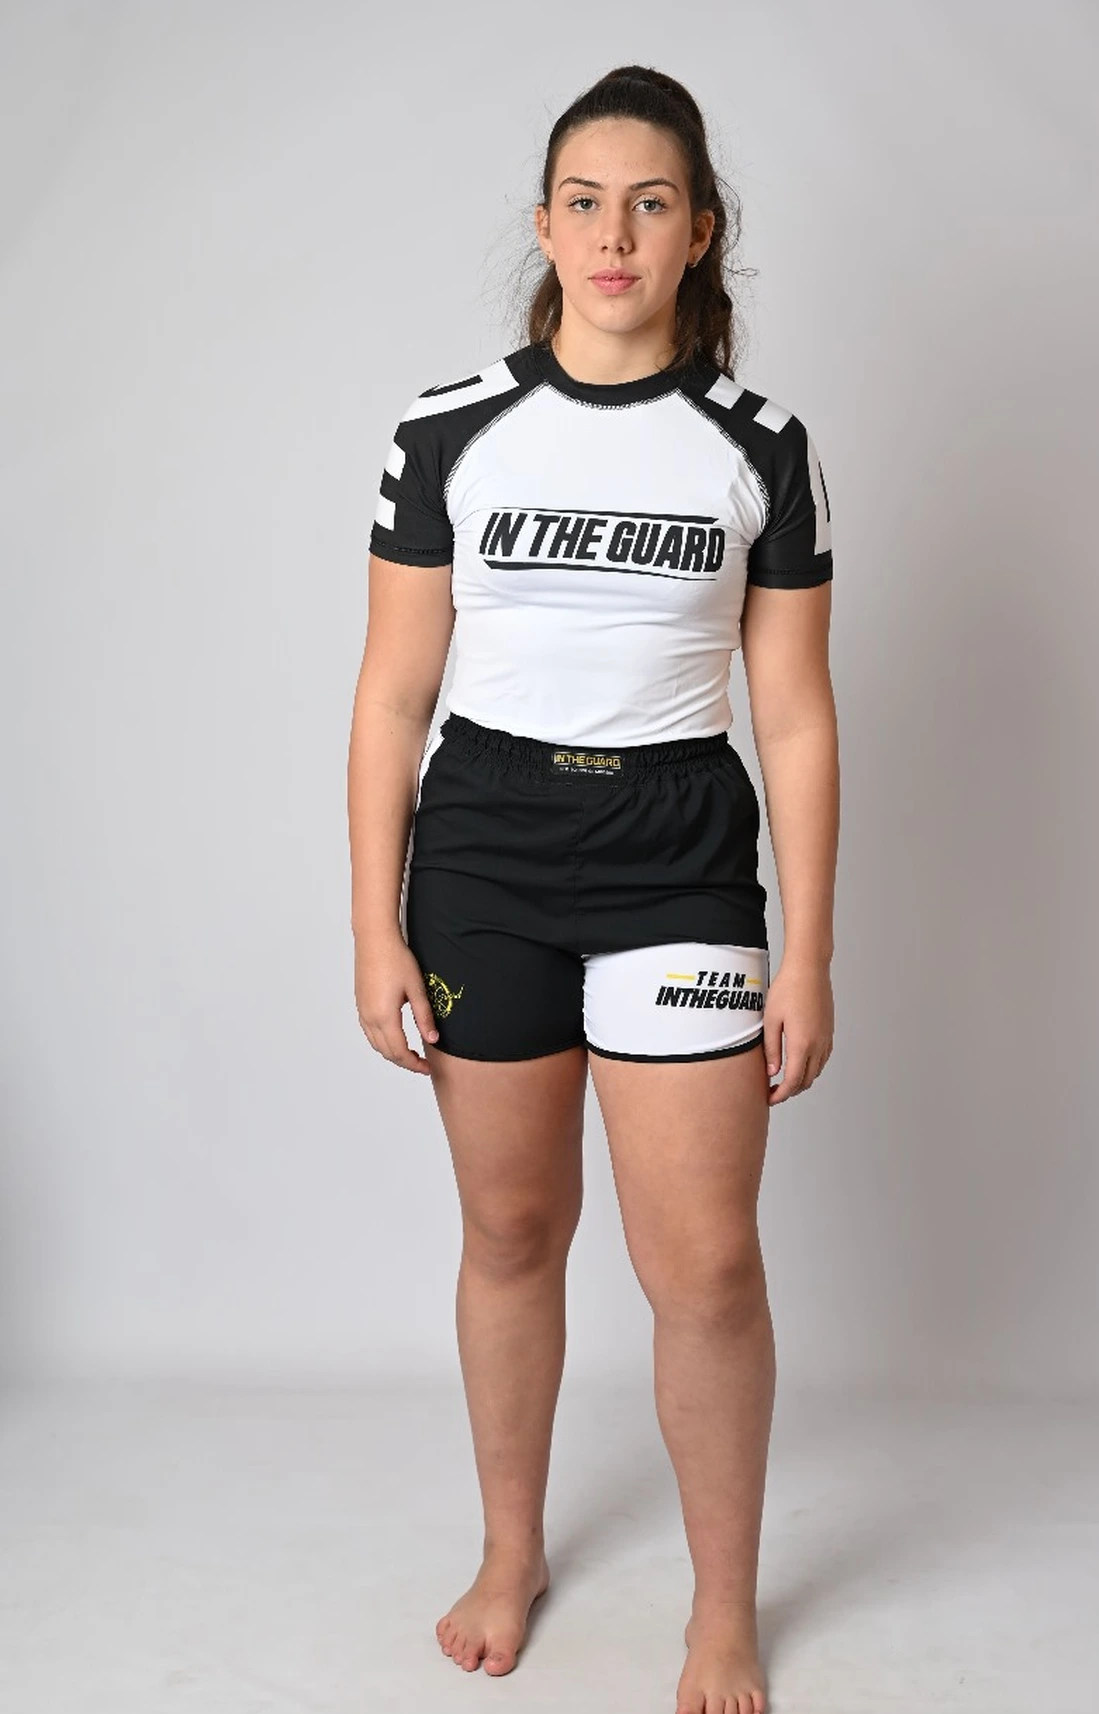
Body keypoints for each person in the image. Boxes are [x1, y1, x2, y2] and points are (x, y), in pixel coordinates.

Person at [347, 62, 838, 1714]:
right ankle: (512, 1551)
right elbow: (391, 698)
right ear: (547, 226)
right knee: (511, 1227)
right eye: (584, 201)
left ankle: (724, 1610)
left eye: (650, 203)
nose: (614, 233)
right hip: (484, 844)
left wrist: (809, 950)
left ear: (700, 233)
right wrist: (372, 921)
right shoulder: (447, 431)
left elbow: (795, 713)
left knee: (705, 1263)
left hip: (677, 853)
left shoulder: (760, 448)